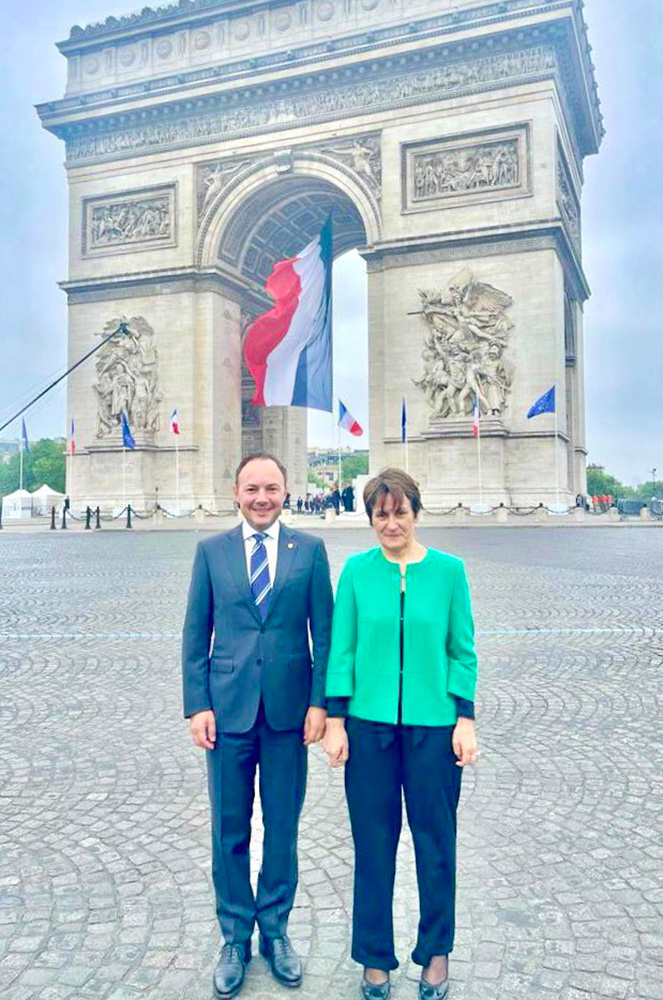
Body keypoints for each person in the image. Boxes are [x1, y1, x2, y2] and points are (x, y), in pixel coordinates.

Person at [182, 453, 334, 999]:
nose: (262, 497)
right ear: (236, 493)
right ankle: (234, 936)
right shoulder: (211, 552)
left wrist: (322, 705)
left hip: (289, 716)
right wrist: (197, 705)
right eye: (252, 488)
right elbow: (195, 634)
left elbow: (328, 635)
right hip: (227, 713)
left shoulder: (311, 552)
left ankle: (275, 930)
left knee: (283, 828)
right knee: (229, 830)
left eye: (271, 487)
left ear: (286, 492)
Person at [323, 469, 479, 1000]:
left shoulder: (450, 572)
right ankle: (374, 958)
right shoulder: (356, 573)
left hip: (434, 731)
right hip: (368, 731)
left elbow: (463, 650)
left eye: (399, 512)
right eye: (380, 514)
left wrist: (466, 719)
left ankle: (436, 955)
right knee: (373, 848)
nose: (391, 523)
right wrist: (337, 721)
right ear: (370, 519)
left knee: (436, 846)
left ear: (417, 511)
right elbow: (340, 650)